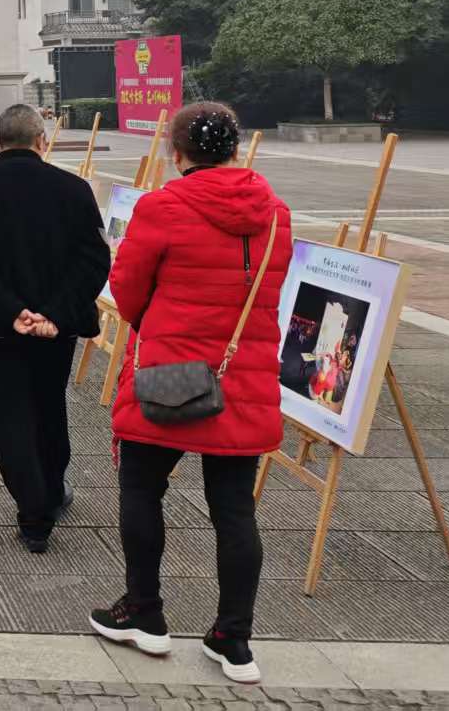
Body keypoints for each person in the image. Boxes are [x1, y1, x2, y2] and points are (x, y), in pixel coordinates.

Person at [89, 102, 290, 686]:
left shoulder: (163, 206)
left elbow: (126, 293)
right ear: (235, 146)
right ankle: (235, 638)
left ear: (178, 153)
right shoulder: (276, 215)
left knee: (143, 488)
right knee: (234, 509)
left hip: (171, 375)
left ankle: (145, 613)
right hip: (243, 379)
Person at [0, 104, 110, 551]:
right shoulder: (74, 189)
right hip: (58, 327)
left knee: (10, 414)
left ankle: (34, 513)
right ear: (41, 141)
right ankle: (52, 488)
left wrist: (11, 311)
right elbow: (94, 259)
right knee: (49, 406)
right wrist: (53, 312)